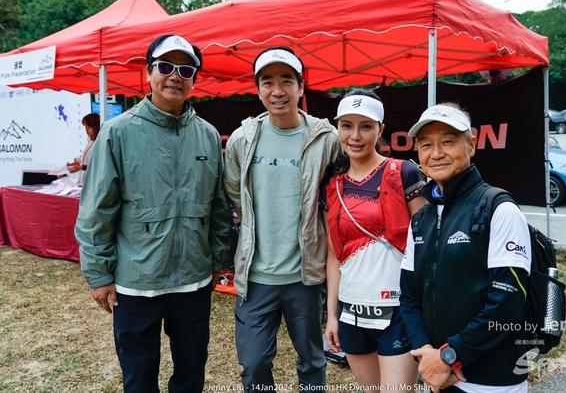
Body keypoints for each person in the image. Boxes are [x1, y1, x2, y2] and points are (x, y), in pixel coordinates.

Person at [75, 34, 232, 393]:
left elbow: (219, 207)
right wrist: (98, 274)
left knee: (191, 375)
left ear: (194, 80)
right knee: (139, 377)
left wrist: (216, 259)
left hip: (193, 281)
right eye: (165, 66)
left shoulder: (208, 135)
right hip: (135, 283)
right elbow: (97, 209)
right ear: (148, 72)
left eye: (186, 70)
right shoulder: (117, 132)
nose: (175, 76)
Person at [224, 46, 342, 392]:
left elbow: (337, 198)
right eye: (268, 82)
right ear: (258, 89)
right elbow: (235, 192)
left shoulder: (326, 139)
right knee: (254, 363)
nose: (278, 91)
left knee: (312, 360)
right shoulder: (243, 139)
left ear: (301, 87)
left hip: (305, 277)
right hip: (256, 277)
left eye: (287, 81)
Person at [399, 103, 532, 393]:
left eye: (448, 141)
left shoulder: (499, 208)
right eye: (426, 145)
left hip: (492, 379)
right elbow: (408, 296)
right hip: (436, 371)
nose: (436, 153)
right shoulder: (421, 218)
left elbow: (507, 302)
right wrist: (427, 352)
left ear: (471, 145)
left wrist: (451, 355)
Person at [320, 89, 427, 390]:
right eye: (347, 125)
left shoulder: (404, 173)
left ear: (380, 130)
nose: (355, 136)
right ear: (337, 128)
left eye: (366, 126)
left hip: (399, 312)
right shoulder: (332, 184)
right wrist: (332, 315)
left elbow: (427, 244)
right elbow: (334, 254)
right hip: (351, 312)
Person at [65, 113, 100, 186]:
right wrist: (69, 166)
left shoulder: (100, 143)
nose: (86, 130)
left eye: (89, 127)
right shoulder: (91, 142)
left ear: (96, 127)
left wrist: (80, 167)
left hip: (92, 183)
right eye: (85, 127)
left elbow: (98, 164)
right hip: (83, 183)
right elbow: (82, 158)